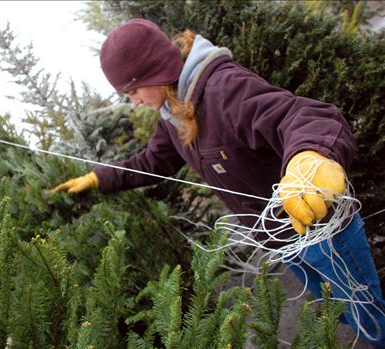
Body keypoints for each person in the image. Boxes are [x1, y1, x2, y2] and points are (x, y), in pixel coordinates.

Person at [52, 19, 385, 346]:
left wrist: (311, 156)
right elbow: (152, 162)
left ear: (154, 71)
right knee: (341, 312)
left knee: (368, 315)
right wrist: (99, 177)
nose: (134, 101)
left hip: (320, 228)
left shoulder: (222, 89)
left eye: (133, 89)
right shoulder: (172, 116)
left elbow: (304, 117)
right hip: (285, 241)